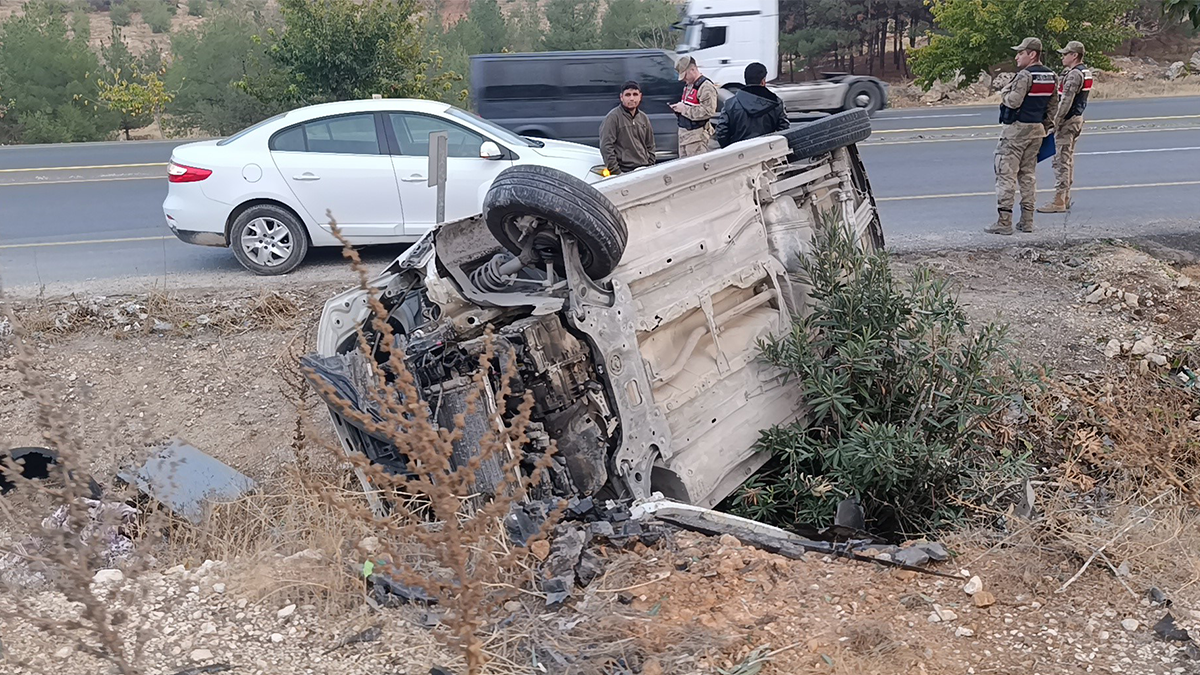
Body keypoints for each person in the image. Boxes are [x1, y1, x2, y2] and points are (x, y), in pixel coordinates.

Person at [986, 37, 1058, 235]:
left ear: (1032, 54)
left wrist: (1005, 91)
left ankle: (1004, 221)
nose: (1017, 56)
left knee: (1005, 175)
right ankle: (1027, 221)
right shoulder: (1052, 76)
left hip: (1016, 130)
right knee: (1027, 175)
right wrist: (1045, 127)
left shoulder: (1025, 76)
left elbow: (1013, 102)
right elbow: (1053, 106)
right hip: (1037, 130)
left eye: (1021, 53)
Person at [1038, 41, 1092, 213]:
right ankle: (1065, 197)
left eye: (1065, 54)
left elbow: (1066, 101)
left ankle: (1059, 200)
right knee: (1067, 159)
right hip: (1076, 118)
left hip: (1068, 121)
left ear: (1074, 55)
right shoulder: (1085, 72)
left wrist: (1055, 121)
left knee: (1061, 160)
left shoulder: (1075, 75)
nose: (1063, 57)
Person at [714, 62, 789, 148]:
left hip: (737, 153)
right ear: (763, 81)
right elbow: (784, 130)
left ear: (745, 79)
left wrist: (729, 148)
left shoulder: (730, 104)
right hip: (768, 151)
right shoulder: (776, 103)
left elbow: (721, 132)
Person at [599, 81, 656, 175]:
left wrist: (650, 164)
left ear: (640, 96)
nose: (632, 98)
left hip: (644, 169)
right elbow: (606, 146)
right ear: (621, 97)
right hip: (624, 171)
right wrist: (617, 172)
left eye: (635, 94)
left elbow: (650, 144)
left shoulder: (643, 118)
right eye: (628, 95)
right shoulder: (613, 118)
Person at [669, 56, 719, 157]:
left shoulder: (706, 87)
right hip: (685, 137)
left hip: (697, 138)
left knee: (696, 171)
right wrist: (678, 109)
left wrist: (684, 109)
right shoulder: (688, 85)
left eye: (685, 75)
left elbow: (708, 111)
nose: (683, 79)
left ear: (693, 69)